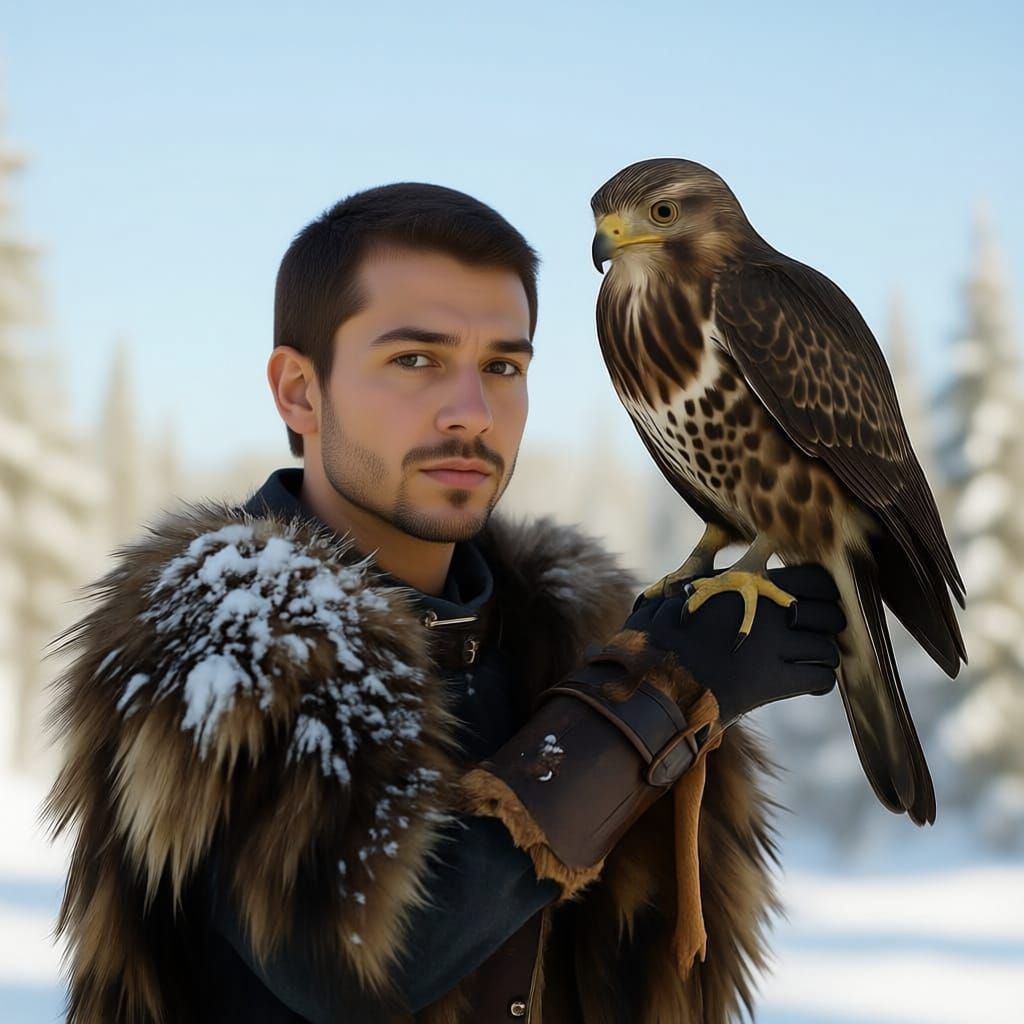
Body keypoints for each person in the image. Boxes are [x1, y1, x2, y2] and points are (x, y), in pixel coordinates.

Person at [46, 183, 845, 1023]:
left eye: (503, 367)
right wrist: (653, 701)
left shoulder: (564, 642)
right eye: (416, 360)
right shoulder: (218, 634)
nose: (471, 413)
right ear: (300, 392)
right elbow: (358, 963)